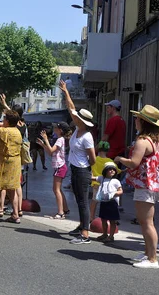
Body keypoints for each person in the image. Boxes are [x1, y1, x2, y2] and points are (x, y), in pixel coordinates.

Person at [115, 105, 159, 268]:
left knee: (146, 222)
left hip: (145, 185)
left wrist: (120, 159)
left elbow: (134, 163)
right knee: (146, 221)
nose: (135, 121)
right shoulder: (158, 140)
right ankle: (147, 253)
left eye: (138, 118)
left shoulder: (142, 140)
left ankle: (152, 259)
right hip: (154, 184)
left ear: (144, 122)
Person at [59, 79, 96, 245]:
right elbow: (71, 108)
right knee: (78, 199)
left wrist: (89, 172)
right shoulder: (77, 129)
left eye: (77, 117)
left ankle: (85, 234)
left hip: (82, 170)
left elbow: (93, 158)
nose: (74, 117)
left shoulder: (87, 136)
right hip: (76, 169)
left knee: (82, 201)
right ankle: (82, 225)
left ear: (82, 121)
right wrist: (66, 91)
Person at [37, 121, 71, 219]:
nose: (54, 129)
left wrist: (46, 139)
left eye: (56, 128)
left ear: (60, 130)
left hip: (60, 166)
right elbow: (51, 153)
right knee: (58, 189)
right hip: (60, 166)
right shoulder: (60, 139)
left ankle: (60, 212)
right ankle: (65, 209)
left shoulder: (60, 139)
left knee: (56, 190)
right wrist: (43, 145)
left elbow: (51, 150)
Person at [93, 161, 122, 243]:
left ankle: (111, 236)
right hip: (104, 201)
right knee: (103, 219)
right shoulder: (102, 178)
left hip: (112, 202)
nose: (112, 171)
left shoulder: (116, 181)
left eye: (113, 169)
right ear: (105, 171)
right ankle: (105, 233)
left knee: (113, 220)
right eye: (109, 169)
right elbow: (94, 178)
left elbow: (120, 191)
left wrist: (114, 194)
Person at [90, 141, 117, 220]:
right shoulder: (110, 161)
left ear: (98, 149)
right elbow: (117, 170)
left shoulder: (94, 159)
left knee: (94, 201)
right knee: (107, 201)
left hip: (95, 183)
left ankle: (91, 217)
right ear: (108, 150)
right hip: (106, 184)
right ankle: (108, 219)